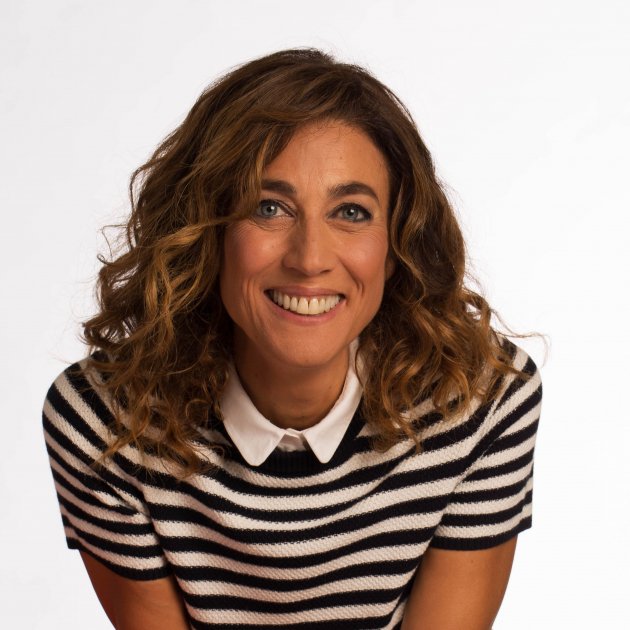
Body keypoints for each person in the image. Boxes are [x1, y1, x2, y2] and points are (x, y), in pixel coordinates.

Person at [43, 48, 542, 630]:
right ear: (206, 231)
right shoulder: (104, 423)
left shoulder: (480, 400)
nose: (309, 259)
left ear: (397, 243)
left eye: (351, 212)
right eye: (269, 207)